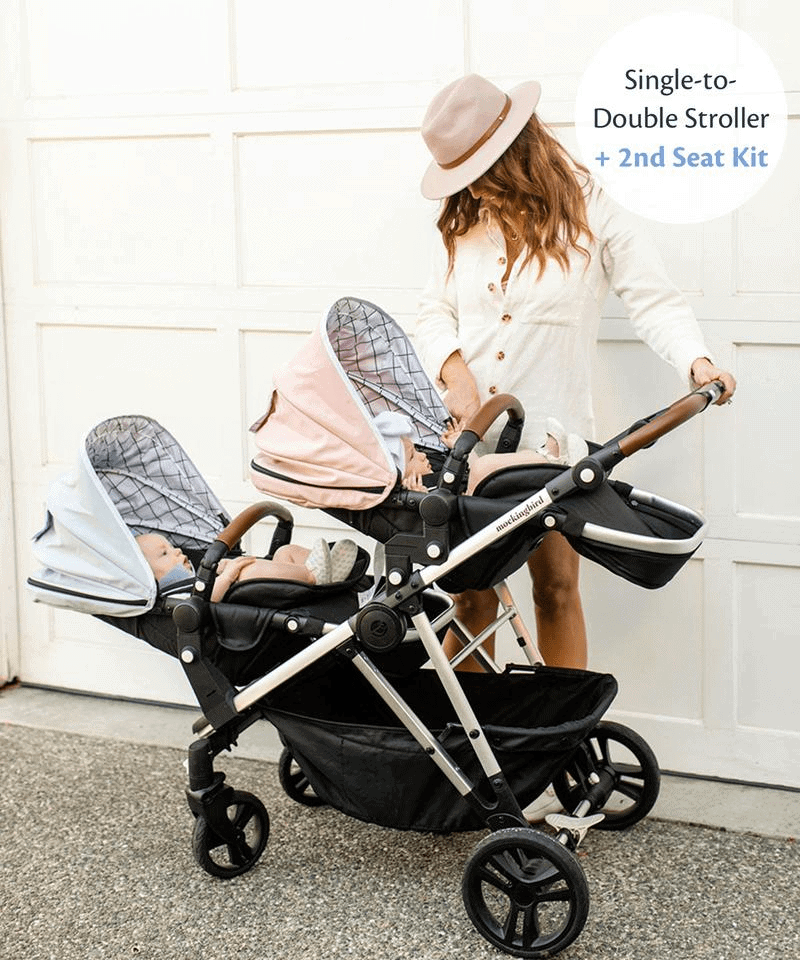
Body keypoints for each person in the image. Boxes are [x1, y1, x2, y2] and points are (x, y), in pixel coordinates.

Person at [413, 73, 737, 673]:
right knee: (471, 596)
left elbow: (653, 299)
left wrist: (696, 358)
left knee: (555, 589)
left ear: (515, 155)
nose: (476, 192)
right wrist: (454, 371)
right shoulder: (463, 222)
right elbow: (434, 310)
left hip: (553, 448)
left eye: (481, 174)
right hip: (466, 443)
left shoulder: (592, 208)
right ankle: (470, 744)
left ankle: (562, 742)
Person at [135, 533, 359, 602]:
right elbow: (207, 598)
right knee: (247, 572)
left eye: (172, 546)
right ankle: (313, 576)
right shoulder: (174, 595)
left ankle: (329, 570)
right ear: (150, 575)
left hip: (279, 582)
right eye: (164, 553)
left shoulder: (192, 574)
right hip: (258, 593)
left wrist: (221, 566)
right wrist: (229, 574)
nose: (177, 551)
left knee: (284, 552)